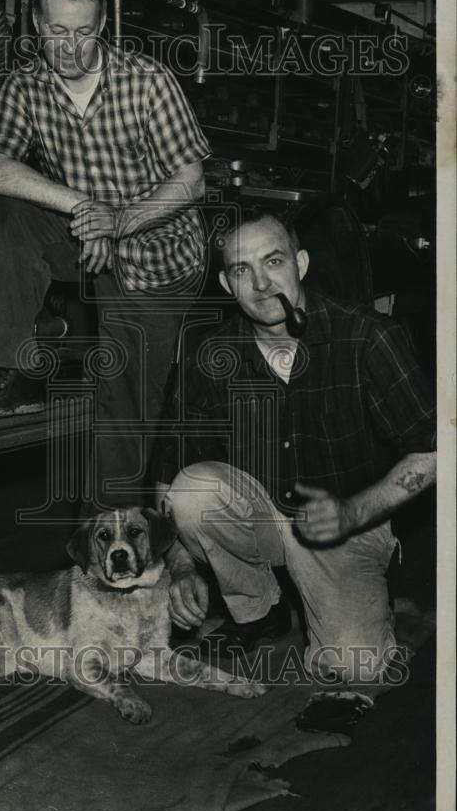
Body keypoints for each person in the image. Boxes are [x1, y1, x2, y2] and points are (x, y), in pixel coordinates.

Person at [0, 0, 211, 512]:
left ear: (101, 25)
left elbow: (191, 182)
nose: (70, 48)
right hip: (88, 233)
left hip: (157, 257)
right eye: (56, 31)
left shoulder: (147, 82)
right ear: (35, 22)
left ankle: (112, 528)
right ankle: (11, 369)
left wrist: (121, 220)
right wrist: (87, 208)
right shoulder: (25, 86)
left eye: (83, 32)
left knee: (122, 396)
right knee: (10, 214)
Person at [155, 205, 436, 685]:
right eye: (243, 270)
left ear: (301, 264)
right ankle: (259, 607)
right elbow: (167, 473)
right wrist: (178, 566)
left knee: (354, 667)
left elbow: (434, 452)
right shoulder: (210, 356)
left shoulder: (368, 337)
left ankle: (371, 585)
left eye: (274, 261)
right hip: (262, 515)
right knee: (190, 490)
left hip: (347, 522)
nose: (261, 284)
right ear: (227, 286)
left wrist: (353, 512)